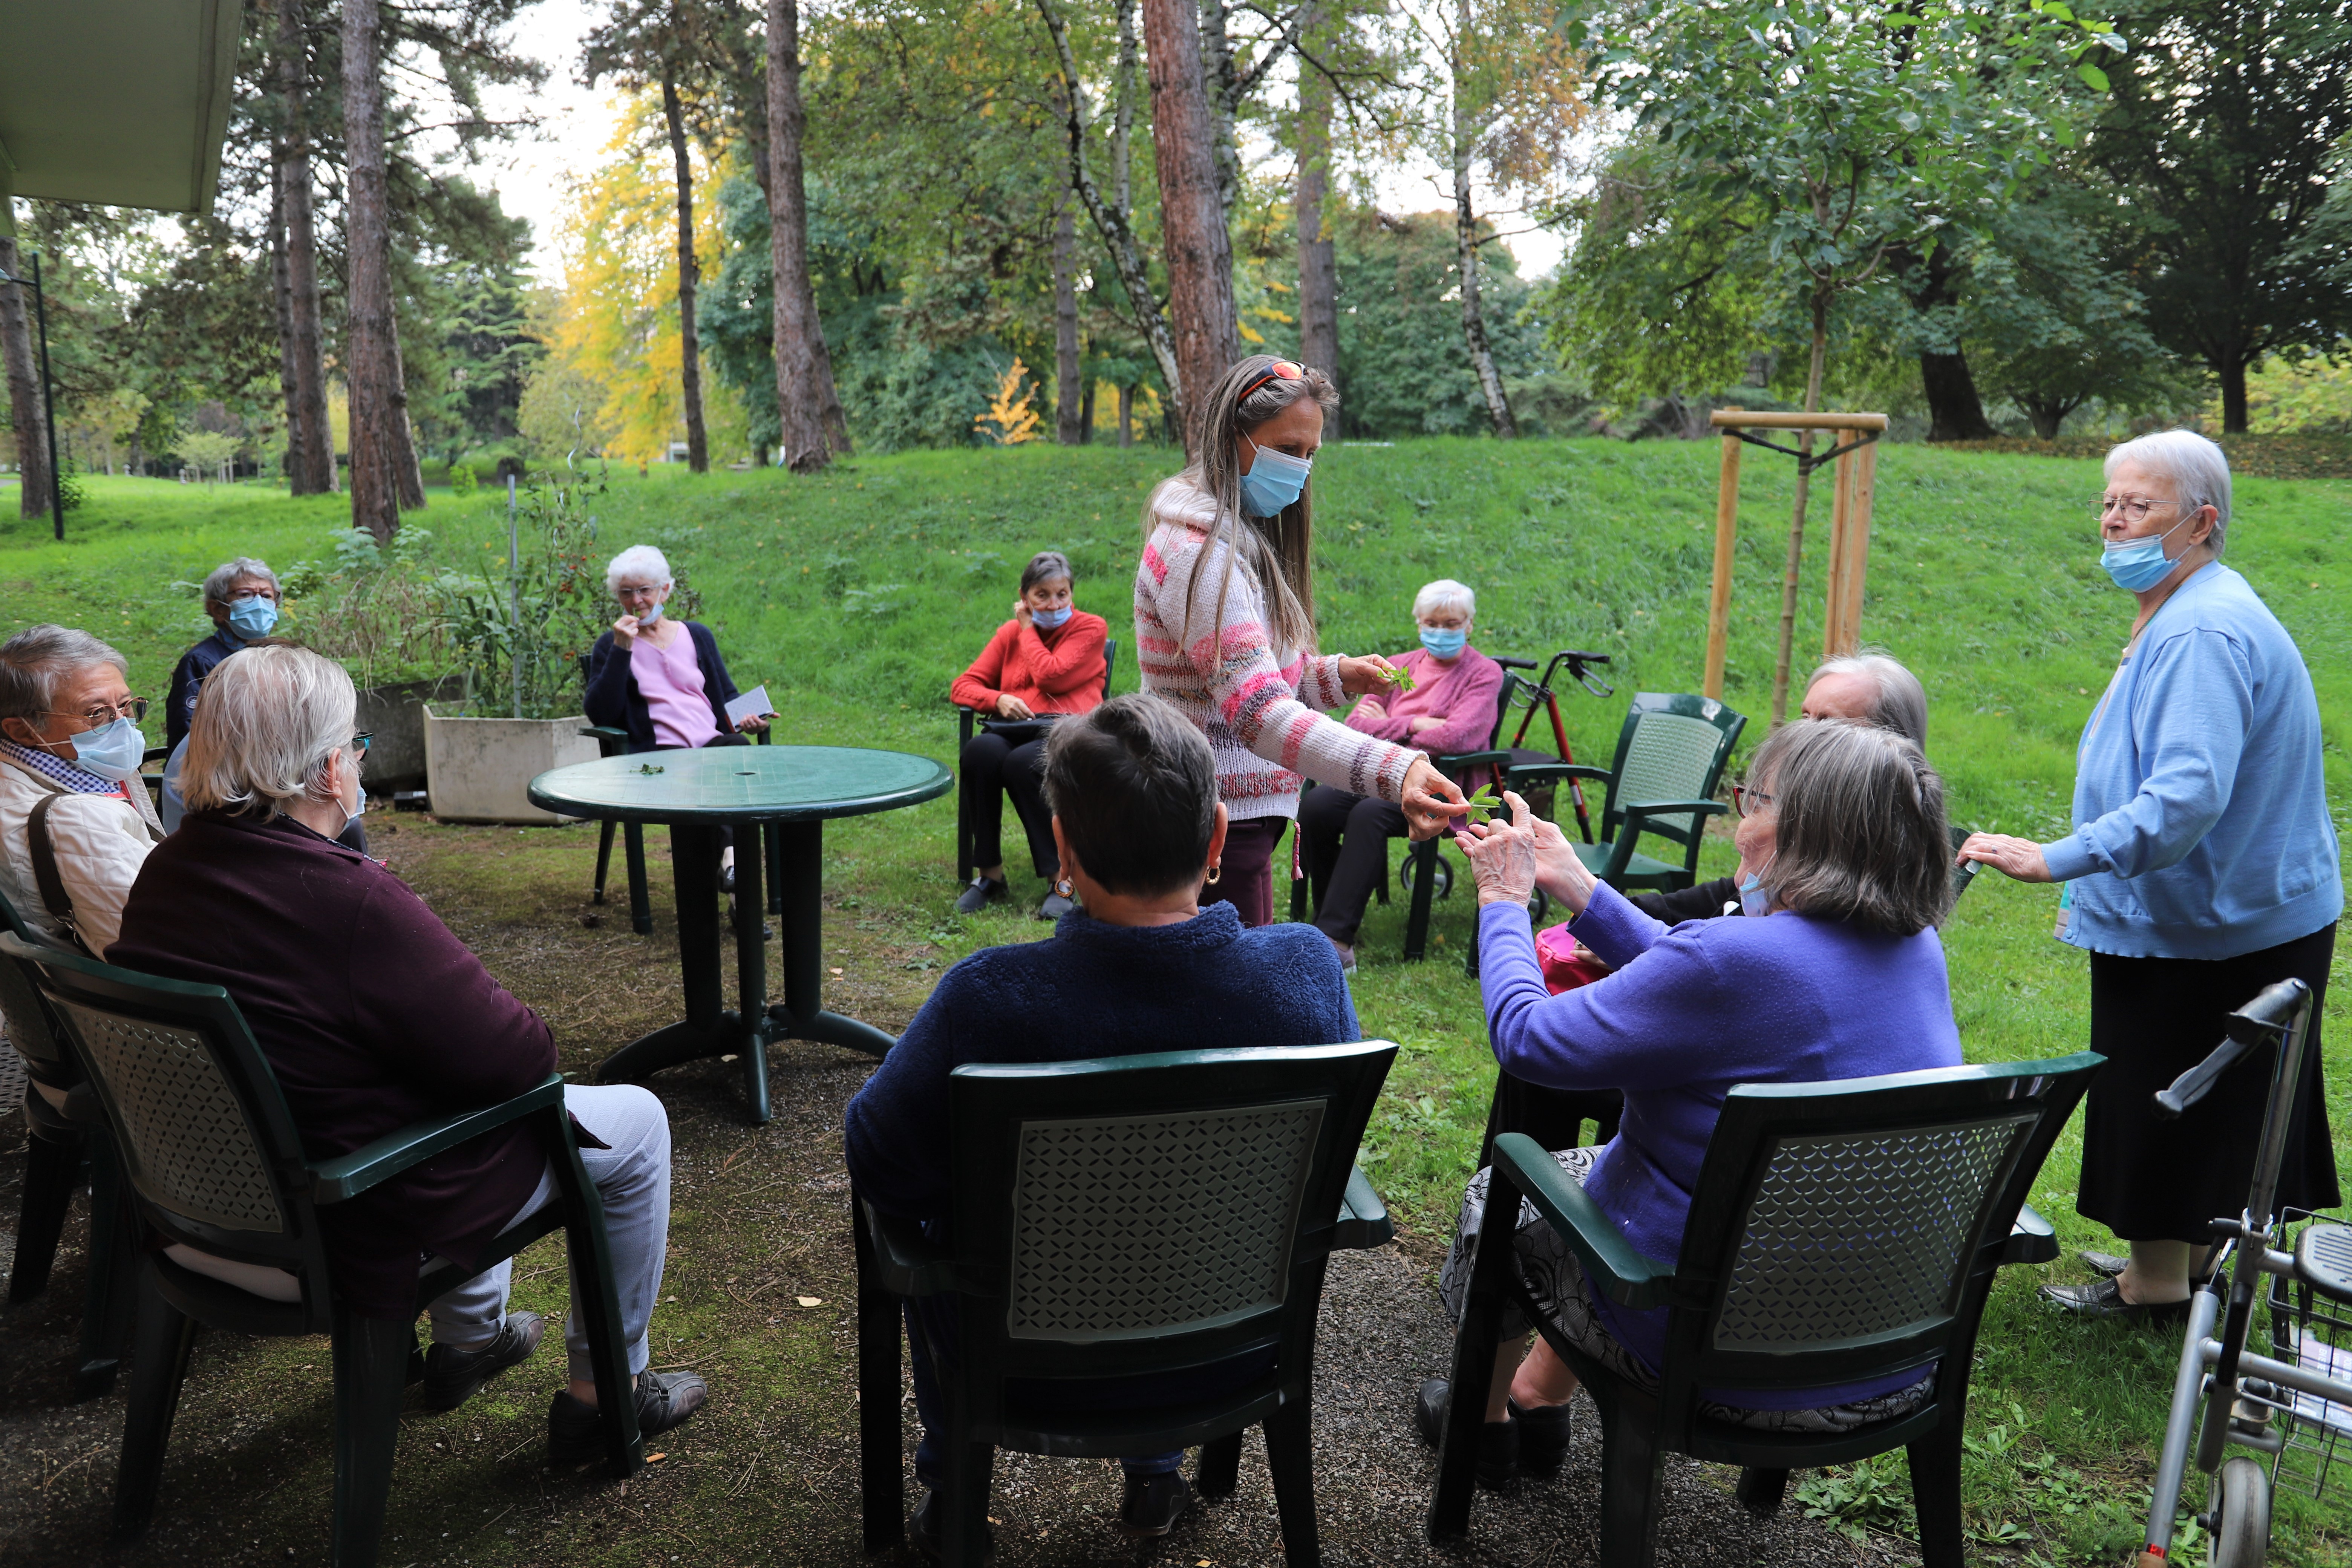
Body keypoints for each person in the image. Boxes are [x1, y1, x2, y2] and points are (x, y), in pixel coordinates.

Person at [109, 645, 708, 1459]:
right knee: (634, 1121)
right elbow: (521, 1060)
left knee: (424, 1082)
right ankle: (607, 1397)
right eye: (354, 744)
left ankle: (471, 1342)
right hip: (342, 1224)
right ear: (329, 770)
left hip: (202, 1219)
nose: (358, 759)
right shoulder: (351, 899)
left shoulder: (167, 870)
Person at [845, 694, 1360, 1551]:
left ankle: (950, 1485)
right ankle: (1158, 1472)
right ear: (1218, 840)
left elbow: (880, 1159)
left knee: (928, 1234)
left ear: (1066, 857)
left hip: (1020, 1362)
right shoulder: (1305, 971)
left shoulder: (989, 1000)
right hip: (1231, 1357)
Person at [1416, 718, 1960, 1483]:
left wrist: (1504, 901)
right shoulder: (1915, 950)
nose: (1741, 822)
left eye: (1757, 800)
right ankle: (1537, 1404)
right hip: (1877, 1356)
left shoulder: (1734, 961)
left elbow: (1530, 1040)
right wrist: (1581, 888)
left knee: (1498, 1191)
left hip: (1710, 1351)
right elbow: (1710, 978)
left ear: (1807, 831)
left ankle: (1486, 1425)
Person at [1957, 429, 2341, 1324]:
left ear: (2201, 522)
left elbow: (2181, 801)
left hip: (2215, 919)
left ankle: (2158, 1283)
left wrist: (2053, 857)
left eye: (2138, 507)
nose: (2114, 521)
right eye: (2108, 503)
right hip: (2245, 909)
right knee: (2215, 1096)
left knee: (2167, 1093)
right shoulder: (2193, 602)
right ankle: (2198, 1258)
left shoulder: (2202, 628)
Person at [1134, 354, 1467, 926]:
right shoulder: (1201, 556)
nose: (1301, 469)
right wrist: (1398, 770)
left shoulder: (1231, 541)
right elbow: (1259, 715)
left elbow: (1232, 678)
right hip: (1212, 827)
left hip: (1232, 817)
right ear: (1229, 438)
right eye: (1287, 450)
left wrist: (1332, 677)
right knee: (1234, 1008)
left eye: (1310, 455)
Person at [1629, 650, 1930, 923]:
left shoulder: (1858, 873)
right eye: (1805, 717)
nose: (1801, 734)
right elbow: (1734, 895)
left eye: (1827, 724)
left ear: (1886, 744)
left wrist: (1634, 935)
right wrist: (1620, 912)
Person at [1297, 578, 1503, 969]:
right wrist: (1417, 723)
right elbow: (1357, 723)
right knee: (1317, 806)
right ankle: (1326, 921)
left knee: (1369, 814)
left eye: (1452, 623)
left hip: (1440, 784)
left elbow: (1461, 736)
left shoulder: (1484, 673)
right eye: (1433, 623)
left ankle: (1336, 941)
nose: (1442, 631)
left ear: (1470, 624)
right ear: (1418, 622)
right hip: (1381, 771)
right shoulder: (1402, 666)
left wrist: (1392, 720)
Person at [584, 544, 768, 892]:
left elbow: (726, 696)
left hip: (710, 747)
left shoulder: (696, 635)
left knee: (737, 749)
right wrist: (623, 650)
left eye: (644, 590)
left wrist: (752, 716)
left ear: (665, 590)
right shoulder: (611, 647)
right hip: (656, 760)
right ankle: (738, 890)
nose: (636, 600)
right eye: (627, 592)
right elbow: (600, 713)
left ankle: (732, 868)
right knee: (717, 777)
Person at [949, 549, 1110, 919]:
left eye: (1062, 594)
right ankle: (990, 875)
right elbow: (963, 685)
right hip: (1017, 726)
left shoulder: (1090, 628)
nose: (1054, 604)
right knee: (981, 753)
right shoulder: (1008, 634)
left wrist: (1027, 630)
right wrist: (998, 697)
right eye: (1043, 595)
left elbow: (1051, 675)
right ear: (1025, 597)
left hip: (1068, 730)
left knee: (1024, 763)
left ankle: (1062, 881)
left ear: (1072, 594)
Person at [0, 625, 164, 957]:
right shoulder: (78, 822)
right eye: (96, 713)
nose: (122, 725)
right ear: (23, 731)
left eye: (126, 705)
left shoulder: (77, 765)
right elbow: (160, 946)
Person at [165, 557, 282, 753]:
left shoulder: (282, 657)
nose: (259, 604)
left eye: (267, 596)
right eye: (245, 595)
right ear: (218, 609)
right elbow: (189, 734)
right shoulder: (201, 662)